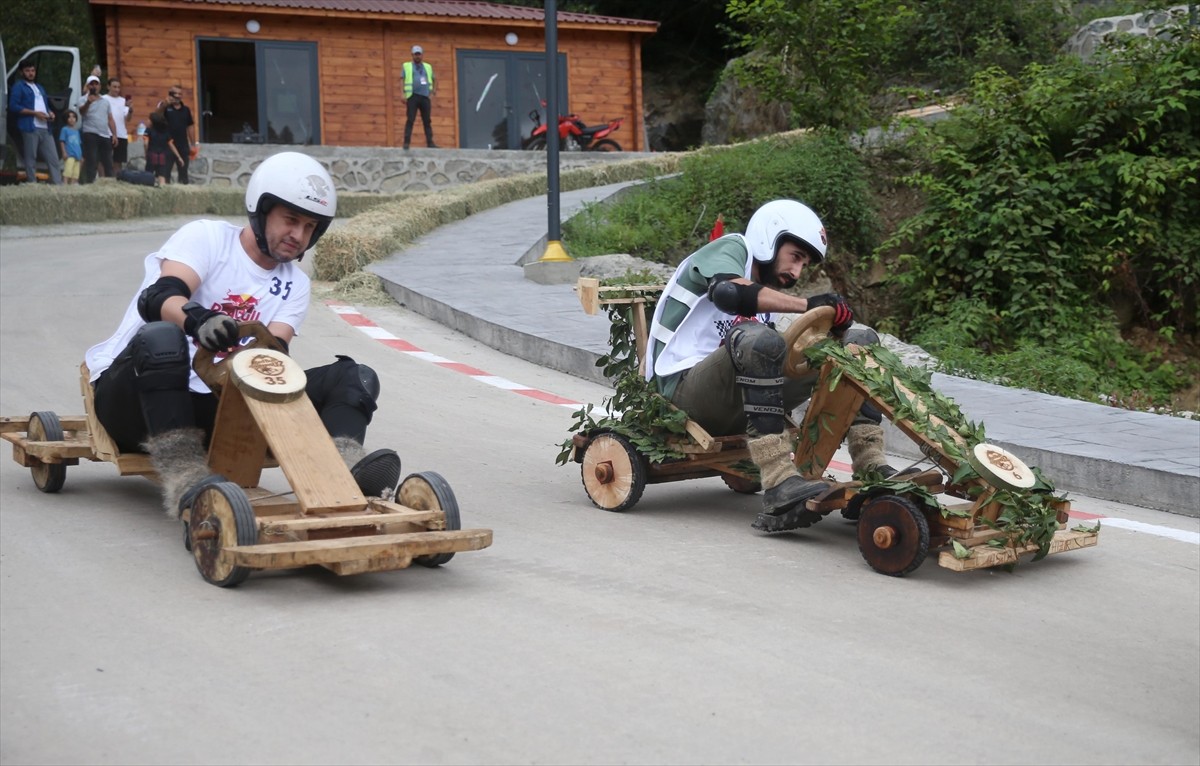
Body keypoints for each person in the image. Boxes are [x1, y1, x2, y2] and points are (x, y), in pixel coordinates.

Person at [84, 151, 402, 518]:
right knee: (161, 337)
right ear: (261, 210)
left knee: (355, 376)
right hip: (134, 401)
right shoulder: (207, 238)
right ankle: (186, 480)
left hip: (217, 410)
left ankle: (345, 469)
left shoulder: (295, 285)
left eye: (310, 227)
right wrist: (198, 320)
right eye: (291, 220)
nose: (297, 235)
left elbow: (274, 356)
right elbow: (157, 297)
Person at [646, 199, 905, 533]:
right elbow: (727, 292)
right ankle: (779, 481)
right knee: (760, 340)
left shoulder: (764, 292)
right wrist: (807, 304)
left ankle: (871, 465)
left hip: (731, 396)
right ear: (771, 237)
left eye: (804, 264)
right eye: (795, 257)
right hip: (681, 393)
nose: (797, 272)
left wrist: (836, 332)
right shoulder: (732, 249)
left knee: (859, 342)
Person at [7, 59, 63, 185]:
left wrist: (50, 113)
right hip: (30, 127)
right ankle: (32, 185)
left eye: (32, 70)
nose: (31, 73)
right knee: (30, 157)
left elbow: (44, 105)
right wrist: (34, 113)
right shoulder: (18, 87)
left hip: (45, 128)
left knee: (53, 158)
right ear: (22, 73)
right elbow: (13, 106)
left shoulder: (40, 87)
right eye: (27, 71)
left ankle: (58, 185)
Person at [77, 74, 117, 183]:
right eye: (91, 84)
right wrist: (88, 102)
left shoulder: (105, 101)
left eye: (96, 84)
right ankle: (90, 184)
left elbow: (110, 119)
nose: (94, 86)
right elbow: (82, 112)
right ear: (88, 86)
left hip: (104, 134)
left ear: (100, 86)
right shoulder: (82, 99)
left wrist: (114, 134)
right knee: (92, 160)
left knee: (108, 162)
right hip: (90, 133)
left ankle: (110, 184)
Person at [400, 45, 436, 150]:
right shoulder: (407, 66)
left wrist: (433, 92)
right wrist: (402, 93)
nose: (417, 56)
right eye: (415, 54)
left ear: (422, 55)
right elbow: (402, 79)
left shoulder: (428, 67)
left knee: (427, 120)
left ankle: (430, 142)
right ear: (412, 55)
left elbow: (434, 79)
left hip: (425, 97)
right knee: (410, 119)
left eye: (419, 54)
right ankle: (406, 142)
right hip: (412, 96)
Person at [162, 84, 196, 184]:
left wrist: (193, 144)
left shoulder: (186, 110)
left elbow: (190, 126)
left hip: (183, 145)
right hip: (167, 145)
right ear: (170, 94)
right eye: (174, 93)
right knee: (165, 172)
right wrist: (164, 105)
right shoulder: (164, 107)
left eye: (179, 94)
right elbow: (155, 117)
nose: (177, 96)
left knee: (183, 173)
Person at [103, 77, 133, 174]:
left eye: (118, 87)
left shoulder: (123, 101)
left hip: (121, 134)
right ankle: (104, 180)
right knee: (105, 159)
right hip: (107, 133)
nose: (117, 89)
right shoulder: (103, 99)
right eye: (114, 87)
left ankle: (117, 181)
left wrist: (131, 110)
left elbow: (128, 118)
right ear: (108, 87)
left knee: (118, 161)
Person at [145, 109, 182, 187]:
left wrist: (146, 153)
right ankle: (162, 187)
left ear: (152, 122)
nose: (147, 121)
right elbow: (171, 145)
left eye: (148, 119)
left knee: (149, 174)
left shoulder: (148, 130)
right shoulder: (165, 131)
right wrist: (179, 157)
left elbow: (146, 143)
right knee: (162, 174)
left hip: (152, 154)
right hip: (162, 155)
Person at [59, 109, 83, 185]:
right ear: (66, 119)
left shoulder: (77, 131)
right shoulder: (64, 129)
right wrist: (64, 152)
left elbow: (78, 144)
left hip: (77, 155)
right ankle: (65, 183)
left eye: (74, 117)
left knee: (76, 172)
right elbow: (62, 141)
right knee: (68, 170)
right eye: (69, 117)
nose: (72, 119)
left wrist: (81, 155)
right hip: (69, 154)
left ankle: (72, 184)